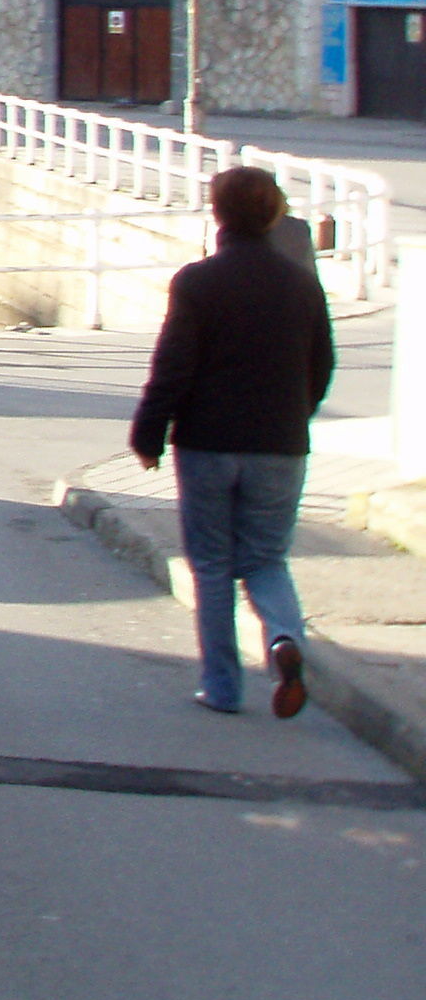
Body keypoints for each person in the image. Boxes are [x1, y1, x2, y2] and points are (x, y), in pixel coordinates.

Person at [131, 165, 335, 718]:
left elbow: (173, 367)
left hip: (208, 444)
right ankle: (283, 641)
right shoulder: (302, 285)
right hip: (282, 445)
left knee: (214, 565)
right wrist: (295, 414)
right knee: (267, 558)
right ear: (273, 214)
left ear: (218, 214)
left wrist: (149, 433)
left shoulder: (197, 282)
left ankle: (222, 688)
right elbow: (322, 367)